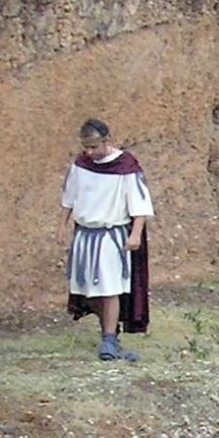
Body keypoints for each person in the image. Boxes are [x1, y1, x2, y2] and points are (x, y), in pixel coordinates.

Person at [58, 118, 154, 361]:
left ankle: (109, 339)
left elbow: (140, 204)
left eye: (94, 147)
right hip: (85, 235)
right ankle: (109, 333)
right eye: (86, 147)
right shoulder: (81, 165)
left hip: (111, 236)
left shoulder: (126, 166)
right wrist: (62, 226)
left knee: (109, 287)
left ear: (106, 141)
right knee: (90, 291)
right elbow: (69, 198)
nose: (89, 152)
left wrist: (135, 234)